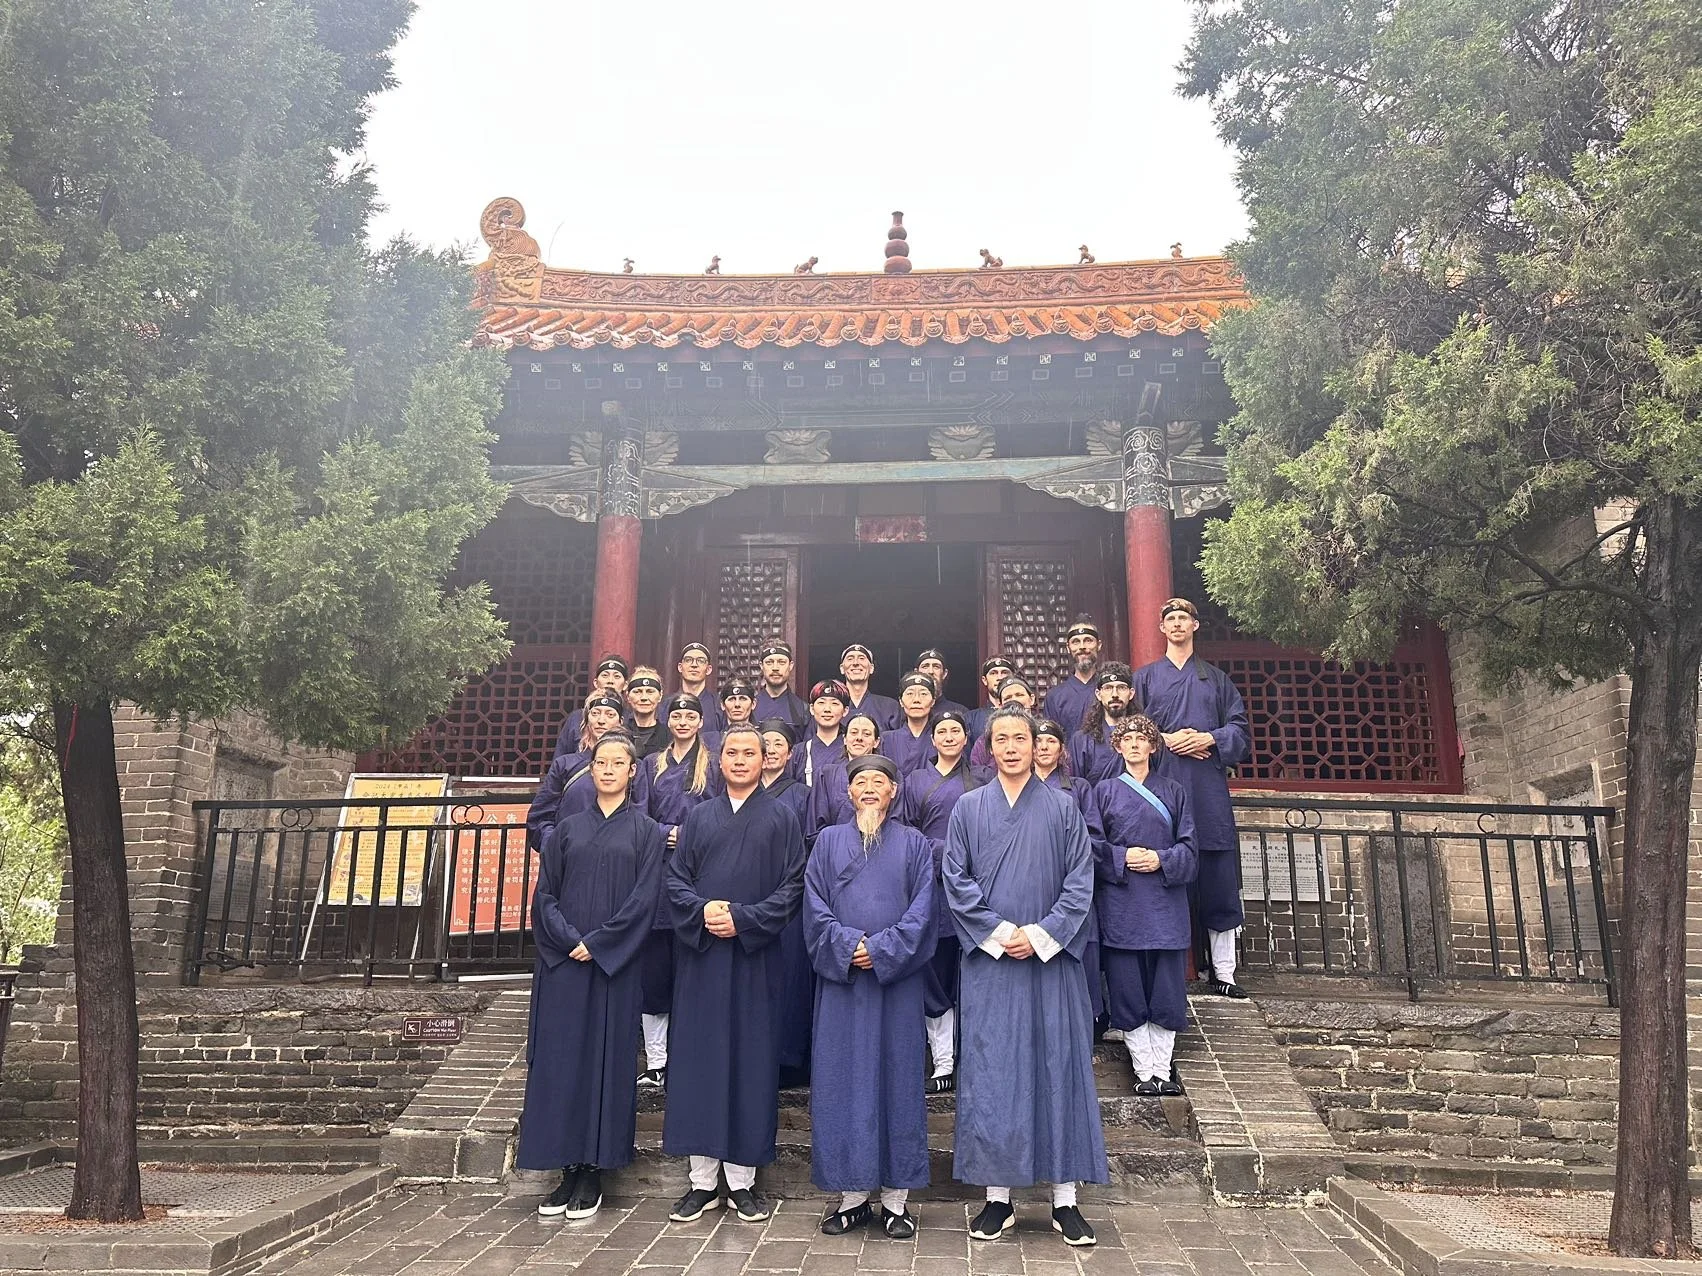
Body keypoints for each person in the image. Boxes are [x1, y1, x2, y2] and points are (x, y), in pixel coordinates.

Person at [943, 706, 1106, 1248]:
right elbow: (956, 878)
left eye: (1021, 738)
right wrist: (998, 932)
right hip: (992, 966)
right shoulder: (968, 808)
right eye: (1001, 739)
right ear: (988, 748)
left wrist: (1038, 936)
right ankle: (998, 1199)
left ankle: (1065, 1201)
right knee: (994, 1073)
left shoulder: (1062, 808)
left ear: (1039, 745)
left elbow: (1080, 883)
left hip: (1049, 962)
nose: (1011, 747)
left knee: (1057, 1067)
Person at [519, 732, 665, 1220]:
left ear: (632, 772)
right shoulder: (565, 829)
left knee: (605, 1063)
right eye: (600, 762)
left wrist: (598, 944)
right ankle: (565, 1170)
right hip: (564, 965)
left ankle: (594, 1173)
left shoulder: (646, 833)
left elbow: (644, 902)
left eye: (617, 762)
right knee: (562, 1063)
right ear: (591, 769)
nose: (607, 770)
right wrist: (568, 941)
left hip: (611, 967)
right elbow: (546, 898)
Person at [664, 725, 807, 1224]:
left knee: (749, 1062)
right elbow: (676, 880)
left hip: (754, 958)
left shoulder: (783, 818)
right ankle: (702, 1182)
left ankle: (743, 1181)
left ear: (768, 759)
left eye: (752, 752)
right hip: (703, 958)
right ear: (719, 761)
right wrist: (705, 912)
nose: (742, 760)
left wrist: (744, 919)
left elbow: (793, 887)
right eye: (733, 753)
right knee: (700, 1061)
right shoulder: (699, 817)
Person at [805, 754, 936, 1240]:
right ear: (848, 791)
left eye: (878, 782)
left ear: (894, 791)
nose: (868, 789)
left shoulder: (916, 843)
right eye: (860, 781)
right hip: (843, 986)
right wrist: (846, 946)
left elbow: (924, 908)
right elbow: (814, 904)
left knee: (897, 1081)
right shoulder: (827, 842)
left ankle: (897, 1201)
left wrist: (880, 949)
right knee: (844, 1081)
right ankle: (852, 1197)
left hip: (895, 984)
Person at [1132, 598, 1252, 999]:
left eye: (1184, 618)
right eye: (1170, 619)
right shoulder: (1146, 678)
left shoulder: (1216, 680)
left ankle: (1224, 973)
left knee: (1218, 881)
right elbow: (1132, 730)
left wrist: (1208, 738)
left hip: (1207, 792)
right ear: (1161, 628)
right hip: (1163, 788)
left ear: (1195, 626)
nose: (1178, 624)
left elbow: (1239, 731)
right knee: (1165, 874)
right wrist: (1164, 739)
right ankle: (1168, 974)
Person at [1092, 716, 1197, 1096]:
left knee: (1166, 985)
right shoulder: (1102, 791)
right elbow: (1092, 844)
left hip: (1165, 900)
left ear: (1154, 746)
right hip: (1122, 900)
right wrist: (1121, 857)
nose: (1135, 745)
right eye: (1127, 739)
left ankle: (1163, 1069)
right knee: (1128, 983)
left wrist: (1162, 860)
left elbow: (1189, 846)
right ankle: (1143, 1070)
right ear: (1117, 746)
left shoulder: (1174, 791)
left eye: (1142, 739)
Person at [635, 692, 722, 1085]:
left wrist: (690, 835)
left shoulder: (714, 765)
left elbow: (723, 811)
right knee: (655, 969)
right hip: (657, 871)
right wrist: (664, 832)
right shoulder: (650, 764)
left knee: (695, 965)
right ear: (668, 721)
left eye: (691, 714)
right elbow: (636, 815)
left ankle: (690, 1056)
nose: (684, 720)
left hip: (699, 870)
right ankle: (657, 1062)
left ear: (701, 721)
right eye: (677, 714)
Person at [899, 708, 985, 1093]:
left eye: (956, 731)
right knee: (931, 967)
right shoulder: (916, 780)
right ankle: (941, 1058)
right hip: (930, 885)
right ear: (932, 739)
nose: (949, 737)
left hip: (974, 887)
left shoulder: (983, 779)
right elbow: (906, 831)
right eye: (942, 731)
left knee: (968, 969)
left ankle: (970, 1056)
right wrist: (945, 852)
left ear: (966, 738)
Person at [1034, 716, 1108, 1035]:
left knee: (1080, 954)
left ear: (1062, 749)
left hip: (1071, 884)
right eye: (1037, 741)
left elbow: (1096, 838)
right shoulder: (1014, 787)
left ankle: (1084, 1029)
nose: (1044, 747)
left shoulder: (1078, 788)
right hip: (1031, 888)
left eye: (1051, 741)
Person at [758, 719, 815, 1087]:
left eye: (779, 744)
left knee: (790, 977)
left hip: (789, 897)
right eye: (766, 743)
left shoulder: (802, 795)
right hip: (746, 896)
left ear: (790, 753)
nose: (772, 749)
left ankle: (788, 1059)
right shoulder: (736, 792)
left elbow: (808, 846)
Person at [527, 693, 627, 852]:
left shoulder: (632, 767)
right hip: (568, 852)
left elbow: (641, 817)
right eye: (595, 713)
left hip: (615, 856)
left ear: (620, 721)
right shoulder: (565, 764)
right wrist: (555, 844)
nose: (601, 720)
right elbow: (540, 816)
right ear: (587, 720)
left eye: (610, 714)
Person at [806, 712, 883, 839]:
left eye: (867, 734)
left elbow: (895, 822)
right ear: (845, 739)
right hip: (835, 850)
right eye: (853, 733)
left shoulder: (888, 776)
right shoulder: (826, 775)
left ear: (876, 742)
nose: (859, 738)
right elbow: (815, 828)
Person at [553, 655, 630, 760]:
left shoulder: (631, 717)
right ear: (595, 683)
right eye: (605, 675)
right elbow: (561, 756)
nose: (610, 681)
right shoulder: (576, 718)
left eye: (616, 676)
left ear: (625, 685)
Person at [1069, 664, 1135, 785]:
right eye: (1108, 688)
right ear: (1098, 694)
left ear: (1131, 693)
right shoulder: (1081, 740)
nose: (1115, 694)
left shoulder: (1143, 738)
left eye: (1121, 688)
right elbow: (1076, 786)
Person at [1042, 618, 1103, 736]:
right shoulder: (1055, 696)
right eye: (1076, 642)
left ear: (1099, 645)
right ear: (1068, 647)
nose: (1082, 647)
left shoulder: (1110, 690)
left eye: (1088, 640)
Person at [968, 675, 1036, 770]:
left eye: (1019, 695)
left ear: (1031, 699)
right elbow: (978, 773)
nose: (1014, 700)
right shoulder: (985, 740)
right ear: (999, 705)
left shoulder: (1043, 734)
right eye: (1008, 697)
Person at [789, 680, 850, 785]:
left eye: (834, 703)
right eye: (821, 703)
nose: (827, 709)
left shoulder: (852, 748)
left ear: (845, 711)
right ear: (812, 709)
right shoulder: (799, 752)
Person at [882, 672, 939, 776]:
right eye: (910, 694)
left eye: (923, 694)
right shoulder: (886, 739)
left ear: (933, 701)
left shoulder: (942, 738)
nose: (916, 700)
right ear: (901, 701)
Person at [839, 644, 901, 730]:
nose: (856, 663)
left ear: (871, 668)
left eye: (861, 658)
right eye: (850, 659)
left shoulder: (889, 706)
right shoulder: (831, 706)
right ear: (842, 668)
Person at [755, 641, 810, 733]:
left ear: (790, 665)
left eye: (781, 662)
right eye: (769, 662)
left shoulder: (803, 709)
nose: (775, 668)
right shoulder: (748, 707)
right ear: (761, 666)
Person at [675, 642, 727, 735]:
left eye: (701, 660)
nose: (694, 665)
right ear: (680, 667)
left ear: (708, 669)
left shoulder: (719, 705)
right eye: (688, 660)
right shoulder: (665, 704)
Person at [967, 655, 1015, 742]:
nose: (1000, 677)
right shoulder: (971, 719)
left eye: (1004, 672)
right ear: (984, 680)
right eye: (993, 673)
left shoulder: (1025, 716)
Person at [623, 667, 668, 759]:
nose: (644, 697)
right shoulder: (618, 734)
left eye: (650, 692)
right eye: (637, 692)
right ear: (628, 696)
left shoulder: (670, 736)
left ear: (660, 696)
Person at [915, 648, 969, 716]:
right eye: (925, 666)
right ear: (916, 673)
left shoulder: (959, 711)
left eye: (936, 667)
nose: (930, 671)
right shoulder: (906, 710)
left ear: (944, 674)